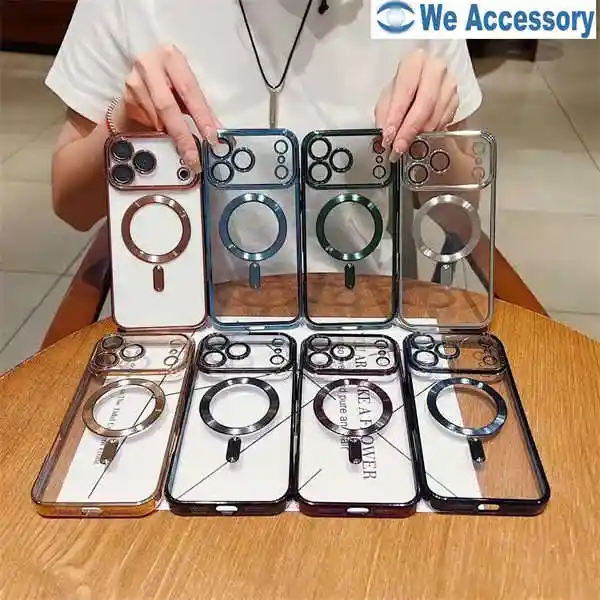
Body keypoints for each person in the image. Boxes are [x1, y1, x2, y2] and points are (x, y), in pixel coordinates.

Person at [46, 0, 482, 282]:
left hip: (358, 310)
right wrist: (126, 123)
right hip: (185, 317)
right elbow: (73, 206)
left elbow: (460, 219)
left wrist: (431, 138)